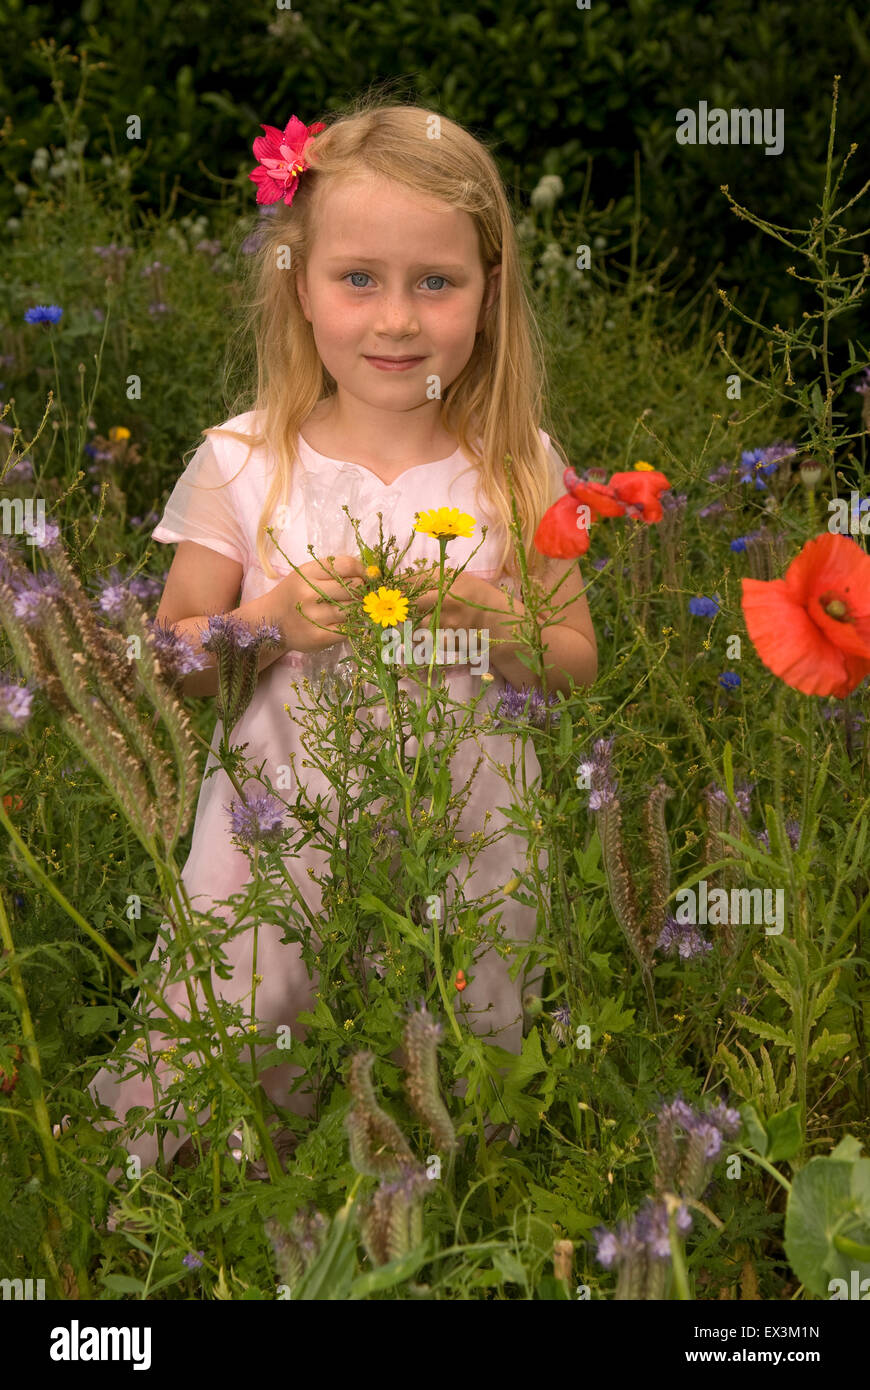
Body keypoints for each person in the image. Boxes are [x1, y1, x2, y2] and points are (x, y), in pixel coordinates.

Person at [87, 97, 597, 1180]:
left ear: (489, 292)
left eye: (436, 282)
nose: (397, 319)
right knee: (253, 1001)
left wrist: (483, 611)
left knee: (454, 1010)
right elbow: (167, 659)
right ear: (298, 284)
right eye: (358, 278)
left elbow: (574, 660)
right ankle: (207, 1212)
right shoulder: (243, 459)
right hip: (275, 829)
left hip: (471, 824)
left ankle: (441, 1207)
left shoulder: (518, 463)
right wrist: (264, 625)